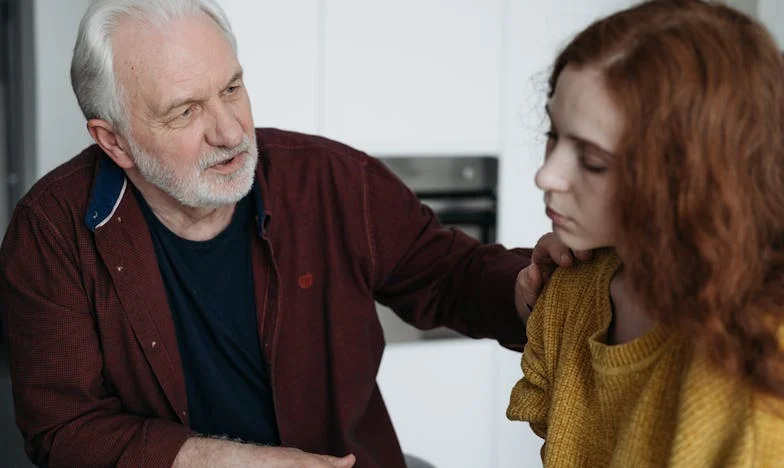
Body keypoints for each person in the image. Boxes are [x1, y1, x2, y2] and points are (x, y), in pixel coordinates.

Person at [0, 1, 577, 466]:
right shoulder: (50, 231)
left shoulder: (331, 178)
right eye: (184, 112)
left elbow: (449, 275)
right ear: (115, 142)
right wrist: (234, 463)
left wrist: (526, 288)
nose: (230, 131)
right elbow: (64, 430)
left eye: (231, 88)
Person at [506, 0, 784, 466]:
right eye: (554, 134)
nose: (546, 175)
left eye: (593, 161)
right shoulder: (569, 292)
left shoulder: (761, 376)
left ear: (693, 178)